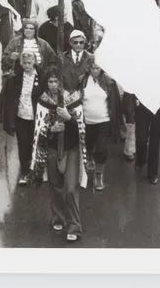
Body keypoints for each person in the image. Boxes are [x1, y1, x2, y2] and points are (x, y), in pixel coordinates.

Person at [31, 71, 86, 242]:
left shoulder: (73, 99)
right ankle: (58, 218)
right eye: (50, 81)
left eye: (56, 81)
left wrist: (68, 118)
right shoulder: (43, 101)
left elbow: (81, 128)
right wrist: (50, 129)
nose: (54, 85)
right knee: (55, 186)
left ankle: (74, 226)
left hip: (71, 149)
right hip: (53, 150)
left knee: (70, 188)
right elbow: (39, 127)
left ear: (62, 83)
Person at [0, 49, 43, 185]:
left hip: (36, 117)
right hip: (21, 116)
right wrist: (3, 116)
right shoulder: (15, 78)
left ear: (34, 62)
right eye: (25, 63)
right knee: (23, 144)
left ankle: (36, 169)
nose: (27, 65)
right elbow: (6, 97)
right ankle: (25, 171)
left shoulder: (41, 76)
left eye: (30, 63)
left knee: (36, 144)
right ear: (21, 63)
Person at [82, 63, 120, 191]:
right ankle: (90, 157)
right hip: (87, 121)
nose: (95, 71)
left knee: (102, 148)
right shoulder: (82, 80)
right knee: (89, 144)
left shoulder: (109, 82)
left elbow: (115, 102)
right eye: (92, 68)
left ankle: (99, 175)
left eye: (97, 68)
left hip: (104, 120)